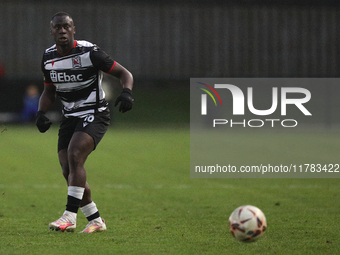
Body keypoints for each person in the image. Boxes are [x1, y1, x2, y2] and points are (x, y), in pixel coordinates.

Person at [36, 12, 133, 233]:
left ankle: (69, 216)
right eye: (58, 27)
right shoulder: (48, 58)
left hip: (95, 112)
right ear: (51, 31)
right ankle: (96, 220)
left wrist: (127, 92)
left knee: (75, 154)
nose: (62, 31)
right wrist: (40, 112)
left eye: (66, 27)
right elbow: (48, 91)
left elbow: (124, 73)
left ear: (73, 29)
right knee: (67, 168)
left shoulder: (90, 52)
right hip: (70, 116)